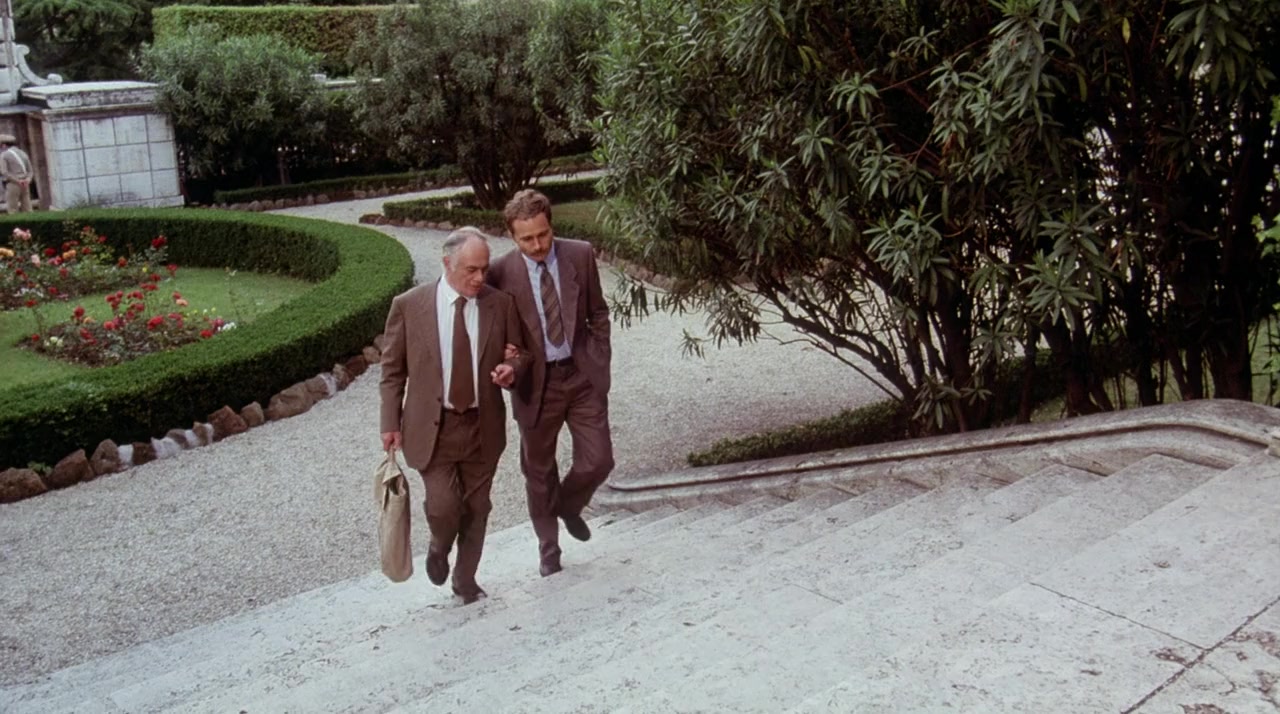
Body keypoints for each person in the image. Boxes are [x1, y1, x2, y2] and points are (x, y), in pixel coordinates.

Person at [379, 227, 529, 604]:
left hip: (482, 425)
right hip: (433, 428)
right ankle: (439, 545)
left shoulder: (500, 304)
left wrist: (512, 369)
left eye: (484, 269)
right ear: (447, 263)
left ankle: (465, 581)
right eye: (471, 270)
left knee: (478, 507)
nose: (480, 278)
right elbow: (392, 371)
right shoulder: (410, 306)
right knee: (444, 506)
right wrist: (389, 422)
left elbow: (520, 354)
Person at [487, 188, 614, 578]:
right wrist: (506, 363)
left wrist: (599, 355)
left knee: (599, 459)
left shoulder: (580, 254)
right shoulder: (499, 272)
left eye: (543, 234)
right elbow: (494, 332)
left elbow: (598, 312)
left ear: (551, 226)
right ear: (512, 236)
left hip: (581, 375)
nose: (538, 245)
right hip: (535, 383)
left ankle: (568, 505)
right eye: (527, 239)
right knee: (538, 471)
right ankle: (549, 548)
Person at [0, 134, 35, 214]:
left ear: (4, 145)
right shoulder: (23, 153)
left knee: (12, 209)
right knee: (27, 208)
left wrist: (18, 181)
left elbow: (4, 172)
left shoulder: (4, 155)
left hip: (13, 184)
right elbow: (30, 171)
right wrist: (28, 180)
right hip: (25, 183)